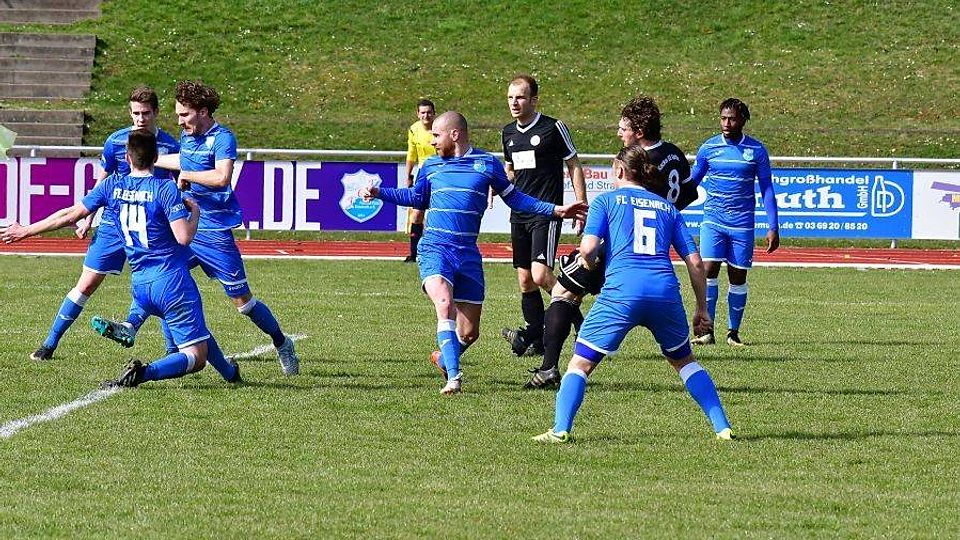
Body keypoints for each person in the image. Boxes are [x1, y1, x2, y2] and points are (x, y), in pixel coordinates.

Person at [360, 111, 586, 395]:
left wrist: (556, 210)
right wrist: (380, 193)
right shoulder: (430, 166)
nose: (432, 141)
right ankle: (454, 378)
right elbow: (417, 197)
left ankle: (445, 358)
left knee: (469, 333)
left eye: (436, 135)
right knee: (444, 304)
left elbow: (515, 198)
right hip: (435, 248)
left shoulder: (487, 164)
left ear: (455, 134)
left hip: (467, 253)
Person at [1, 130, 241, 387]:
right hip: (172, 281)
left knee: (196, 331)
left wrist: (26, 230)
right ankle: (144, 372)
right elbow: (184, 238)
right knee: (196, 357)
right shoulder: (165, 188)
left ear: (127, 158)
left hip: (140, 284)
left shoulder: (111, 186)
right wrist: (195, 214)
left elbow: (70, 214)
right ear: (156, 157)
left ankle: (227, 372)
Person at [95, 80, 300, 375]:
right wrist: (145, 159)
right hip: (187, 226)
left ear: (202, 112)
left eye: (184, 115)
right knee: (164, 275)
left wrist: (187, 175)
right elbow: (181, 159)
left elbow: (221, 177)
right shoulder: (187, 136)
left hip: (214, 231)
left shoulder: (222, 138)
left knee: (243, 303)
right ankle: (137, 329)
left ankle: (281, 342)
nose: (179, 121)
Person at [532, 145, 733, 443]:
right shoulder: (668, 208)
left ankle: (560, 429)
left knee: (580, 363)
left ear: (619, 169)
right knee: (685, 362)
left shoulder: (606, 201)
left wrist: (588, 263)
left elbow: (588, 248)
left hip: (622, 291)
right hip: (664, 292)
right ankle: (722, 427)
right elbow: (695, 262)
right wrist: (702, 308)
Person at [518, 95, 698, 389]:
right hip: (653, 251)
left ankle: (550, 367)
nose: (619, 134)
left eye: (623, 128)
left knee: (562, 292)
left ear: (639, 131)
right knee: (572, 294)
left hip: (621, 251)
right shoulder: (674, 154)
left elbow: (629, 204)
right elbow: (689, 193)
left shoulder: (639, 162)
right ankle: (574, 344)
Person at [27, 86, 180, 362]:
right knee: (86, 284)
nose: (141, 119)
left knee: (162, 285)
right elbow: (103, 180)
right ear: (130, 113)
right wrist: (89, 217)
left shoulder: (171, 146)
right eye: (136, 113)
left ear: (156, 112)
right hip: (112, 224)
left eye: (146, 113)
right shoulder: (116, 141)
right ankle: (49, 344)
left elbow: (180, 184)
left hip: (153, 227)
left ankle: (172, 354)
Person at [499, 74, 587, 357]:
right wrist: (496, 184)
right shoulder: (508, 133)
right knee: (525, 280)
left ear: (534, 100)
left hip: (547, 213)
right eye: (510, 97)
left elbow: (573, 164)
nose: (514, 103)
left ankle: (579, 323)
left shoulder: (552, 128)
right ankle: (536, 337)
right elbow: (510, 170)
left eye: (520, 97)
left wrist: (581, 205)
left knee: (540, 275)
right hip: (519, 214)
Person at [689, 98, 779, 347]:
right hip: (713, 221)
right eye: (723, 118)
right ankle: (707, 332)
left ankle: (733, 333)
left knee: (737, 276)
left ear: (743, 120)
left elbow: (767, 189)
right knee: (708, 271)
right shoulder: (709, 148)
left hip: (742, 224)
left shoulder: (756, 150)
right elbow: (692, 183)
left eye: (732, 119)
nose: (726, 123)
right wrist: (670, 206)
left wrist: (773, 225)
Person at [403, 99, 437, 262]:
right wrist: (408, 175)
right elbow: (411, 154)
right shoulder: (414, 129)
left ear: (434, 113)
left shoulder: (440, 128)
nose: (426, 115)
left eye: (429, 112)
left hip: (441, 173)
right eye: (423, 112)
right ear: (418, 114)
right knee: (416, 214)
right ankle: (414, 253)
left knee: (440, 214)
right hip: (423, 175)